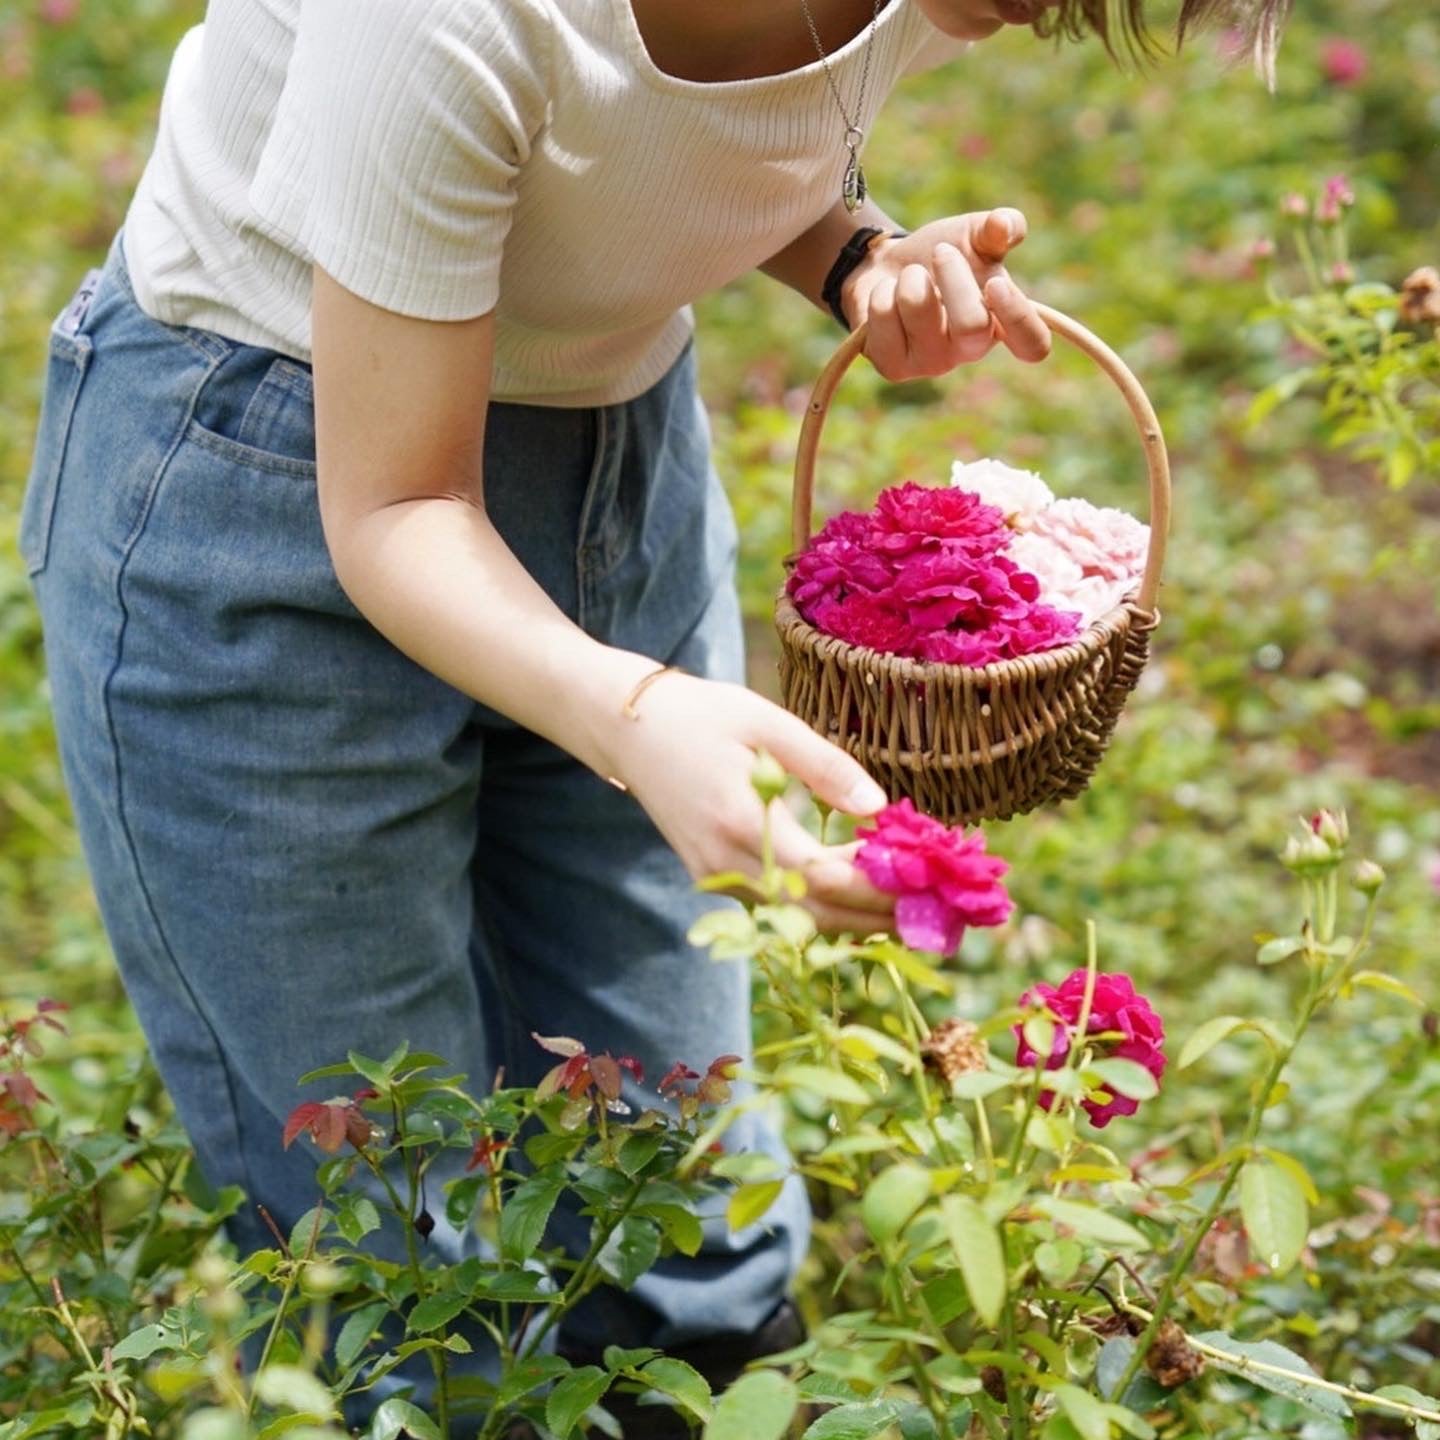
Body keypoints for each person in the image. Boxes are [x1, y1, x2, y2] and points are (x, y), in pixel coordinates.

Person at [18, 0, 1284, 1432]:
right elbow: (398, 502)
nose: (1022, 21)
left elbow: (686, 124)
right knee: (394, 1264)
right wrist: (631, 712)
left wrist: (855, 250)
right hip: (269, 485)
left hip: (612, 461)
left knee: (691, 1227)